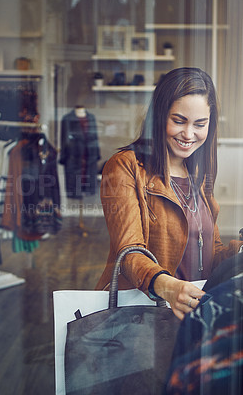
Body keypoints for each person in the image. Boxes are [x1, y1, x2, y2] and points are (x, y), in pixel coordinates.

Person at [96, 67, 243, 320]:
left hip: (194, 315)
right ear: (159, 116)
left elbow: (210, 253)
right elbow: (130, 252)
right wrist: (169, 287)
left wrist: (238, 252)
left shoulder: (199, 174)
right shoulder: (125, 165)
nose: (188, 134)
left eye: (200, 124)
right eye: (178, 121)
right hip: (144, 319)